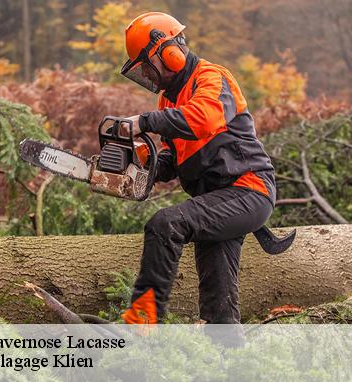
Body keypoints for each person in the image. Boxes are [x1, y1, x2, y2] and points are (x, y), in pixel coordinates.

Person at [119, 12, 276, 325]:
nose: (148, 76)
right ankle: (228, 356)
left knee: (166, 224)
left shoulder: (211, 77)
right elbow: (173, 159)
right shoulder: (168, 101)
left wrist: (144, 122)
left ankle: (142, 323)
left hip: (248, 189)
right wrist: (140, 166)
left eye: (147, 67)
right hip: (218, 201)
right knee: (218, 298)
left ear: (170, 53)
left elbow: (202, 119)